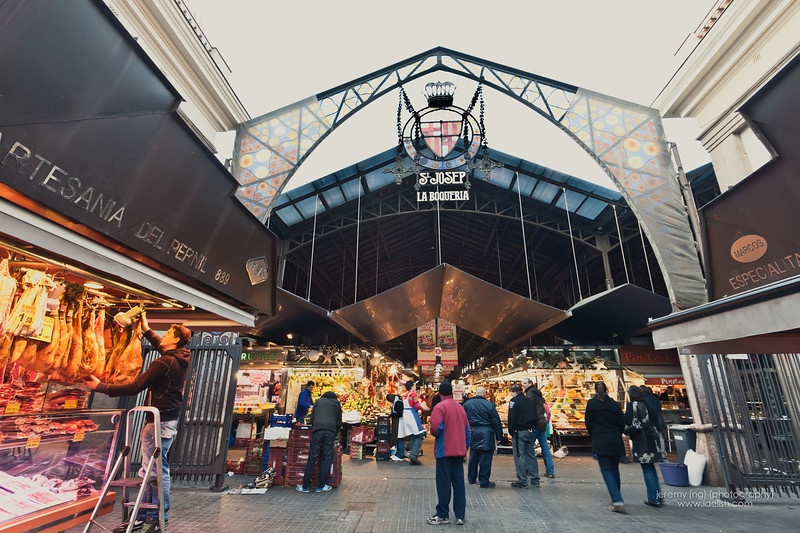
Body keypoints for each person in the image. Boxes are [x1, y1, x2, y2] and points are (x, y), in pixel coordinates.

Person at [84, 314, 192, 532]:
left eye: (168, 333)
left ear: (175, 340)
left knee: (153, 472)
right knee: (155, 470)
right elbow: (163, 350)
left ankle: (154, 516)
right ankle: (149, 515)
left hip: (157, 423)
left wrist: (100, 387)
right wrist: (147, 330)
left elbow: (134, 387)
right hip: (167, 421)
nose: (164, 336)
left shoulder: (164, 362)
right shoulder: (177, 358)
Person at [427, 382, 471, 526]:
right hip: (458, 452)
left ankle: (442, 515)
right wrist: (465, 448)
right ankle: (460, 516)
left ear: (439, 393)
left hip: (444, 451)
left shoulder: (439, 407)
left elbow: (435, 429)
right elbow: (468, 431)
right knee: (459, 484)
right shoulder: (460, 408)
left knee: (443, 483)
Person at [585, 381, 626, 513]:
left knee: (606, 469)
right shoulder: (614, 404)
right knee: (615, 469)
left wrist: (594, 434)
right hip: (615, 439)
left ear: (595, 390)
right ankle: (617, 496)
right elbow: (622, 423)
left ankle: (617, 499)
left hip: (600, 439)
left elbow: (588, 423)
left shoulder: (592, 404)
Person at [625, 385, 665, 507]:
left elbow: (629, 421)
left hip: (642, 440)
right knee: (651, 467)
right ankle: (658, 496)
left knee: (646, 468)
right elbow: (656, 420)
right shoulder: (649, 404)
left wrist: (626, 431)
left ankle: (653, 498)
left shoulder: (633, 405)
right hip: (653, 437)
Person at [296, 390, 342, 493]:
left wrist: (315, 427)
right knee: (326, 458)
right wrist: (335, 433)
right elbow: (339, 421)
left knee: (312, 458)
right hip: (330, 431)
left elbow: (311, 419)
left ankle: (305, 486)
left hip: (317, 431)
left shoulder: (318, 401)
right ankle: (320, 486)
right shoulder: (336, 403)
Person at [461, 385, 502, 488]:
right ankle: (484, 481)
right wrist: (499, 436)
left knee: (473, 456)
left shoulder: (467, 404)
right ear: (484, 394)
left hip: (472, 432)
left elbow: (462, 419)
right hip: (486, 433)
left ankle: (471, 478)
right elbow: (496, 421)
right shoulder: (489, 405)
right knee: (485, 458)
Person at [507, 383, 540, 488]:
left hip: (519, 432)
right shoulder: (529, 401)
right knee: (531, 455)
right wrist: (533, 427)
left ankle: (522, 480)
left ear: (514, 392)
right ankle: (535, 480)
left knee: (519, 455)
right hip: (530, 431)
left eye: (511, 393)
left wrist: (511, 431)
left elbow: (511, 418)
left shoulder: (513, 402)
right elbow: (536, 416)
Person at [523, 377, 555, 478]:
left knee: (528, 447)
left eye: (525, 383)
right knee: (545, 448)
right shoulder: (537, 393)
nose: (523, 385)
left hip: (535, 423)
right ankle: (550, 471)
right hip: (542, 423)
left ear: (530, 384)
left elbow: (529, 408)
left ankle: (528, 470)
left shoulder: (530, 394)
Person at [397, 380, 426, 464]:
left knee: (412, 436)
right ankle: (413, 455)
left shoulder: (405, 395)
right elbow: (416, 406)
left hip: (405, 416)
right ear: (412, 386)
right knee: (420, 435)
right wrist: (423, 407)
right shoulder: (413, 394)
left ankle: (412, 456)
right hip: (412, 415)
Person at [388, 393, 404, 461]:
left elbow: (399, 414)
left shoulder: (398, 402)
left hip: (399, 422)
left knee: (400, 438)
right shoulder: (397, 401)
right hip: (398, 422)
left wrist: (391, 415)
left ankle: (400, 455)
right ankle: (398, 453)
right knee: (398, 438)